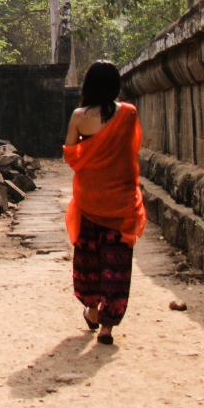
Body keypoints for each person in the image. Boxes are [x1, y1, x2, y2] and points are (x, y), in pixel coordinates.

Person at [62, 60, 146, 345]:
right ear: (115, 86)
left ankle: (93, 309)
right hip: (121, 202)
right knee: (116, 263)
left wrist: (91, 154)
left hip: (89, 200)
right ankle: (107, 328)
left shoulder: (78, 116)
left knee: (90, 259)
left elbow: (71, 156)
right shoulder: (129, 114)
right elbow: (132, 151)